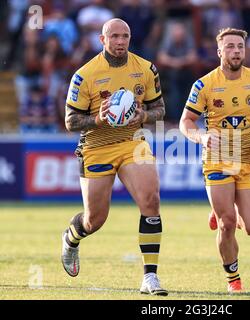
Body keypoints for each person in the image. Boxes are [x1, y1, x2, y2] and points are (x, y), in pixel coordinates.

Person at [61, 18, 168, 296]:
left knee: (151, 201)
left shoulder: (146, 68)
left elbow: (159, 109)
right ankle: (71, 238)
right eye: (115, 37)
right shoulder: (86, 74)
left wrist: (144, 115)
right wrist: (99, 118)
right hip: (96, 146)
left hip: (133, 143)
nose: (120, 42)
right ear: (102, 39)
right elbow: (71, 121)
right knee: (94, 220)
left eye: (125, 36)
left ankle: (150, 278)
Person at [179, 28, 250, 293]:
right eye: (230, 47)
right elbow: (186, 122)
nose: (236, 51)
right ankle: (233, 278)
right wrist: (201, 138)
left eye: (240, 46)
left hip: (248, 157)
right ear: (219, 52)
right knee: (227, 224)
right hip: (217, 158)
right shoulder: (204, 84)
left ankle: (222, 208)